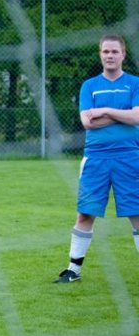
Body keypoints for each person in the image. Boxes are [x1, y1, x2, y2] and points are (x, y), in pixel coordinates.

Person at [55, 34, 139, 283]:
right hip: (95, 158)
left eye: (115, 51)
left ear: (123, 54)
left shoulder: (134, 83)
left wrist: (103, 111)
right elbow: (87, 123)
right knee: (85, 214)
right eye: (106, 52)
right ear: (100, 55)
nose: (110, 56)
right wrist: (123, 114)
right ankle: (73, 270)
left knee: (136, 214)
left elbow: (137, 118)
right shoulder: (89, 86)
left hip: (130, 157)